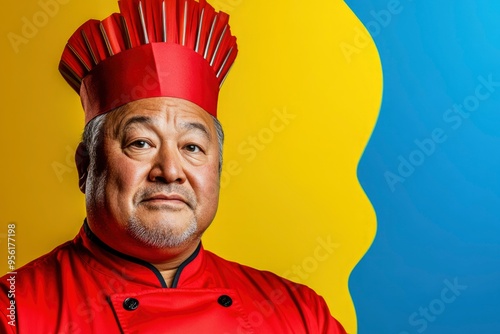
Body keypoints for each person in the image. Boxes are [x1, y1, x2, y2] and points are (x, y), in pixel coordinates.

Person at [1, 0, 346, 332]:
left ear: (218, 169)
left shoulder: (302, 316)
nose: (169, 170)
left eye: (192, 147)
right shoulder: (14, 313)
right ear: (85, 166)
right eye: (141, 143)